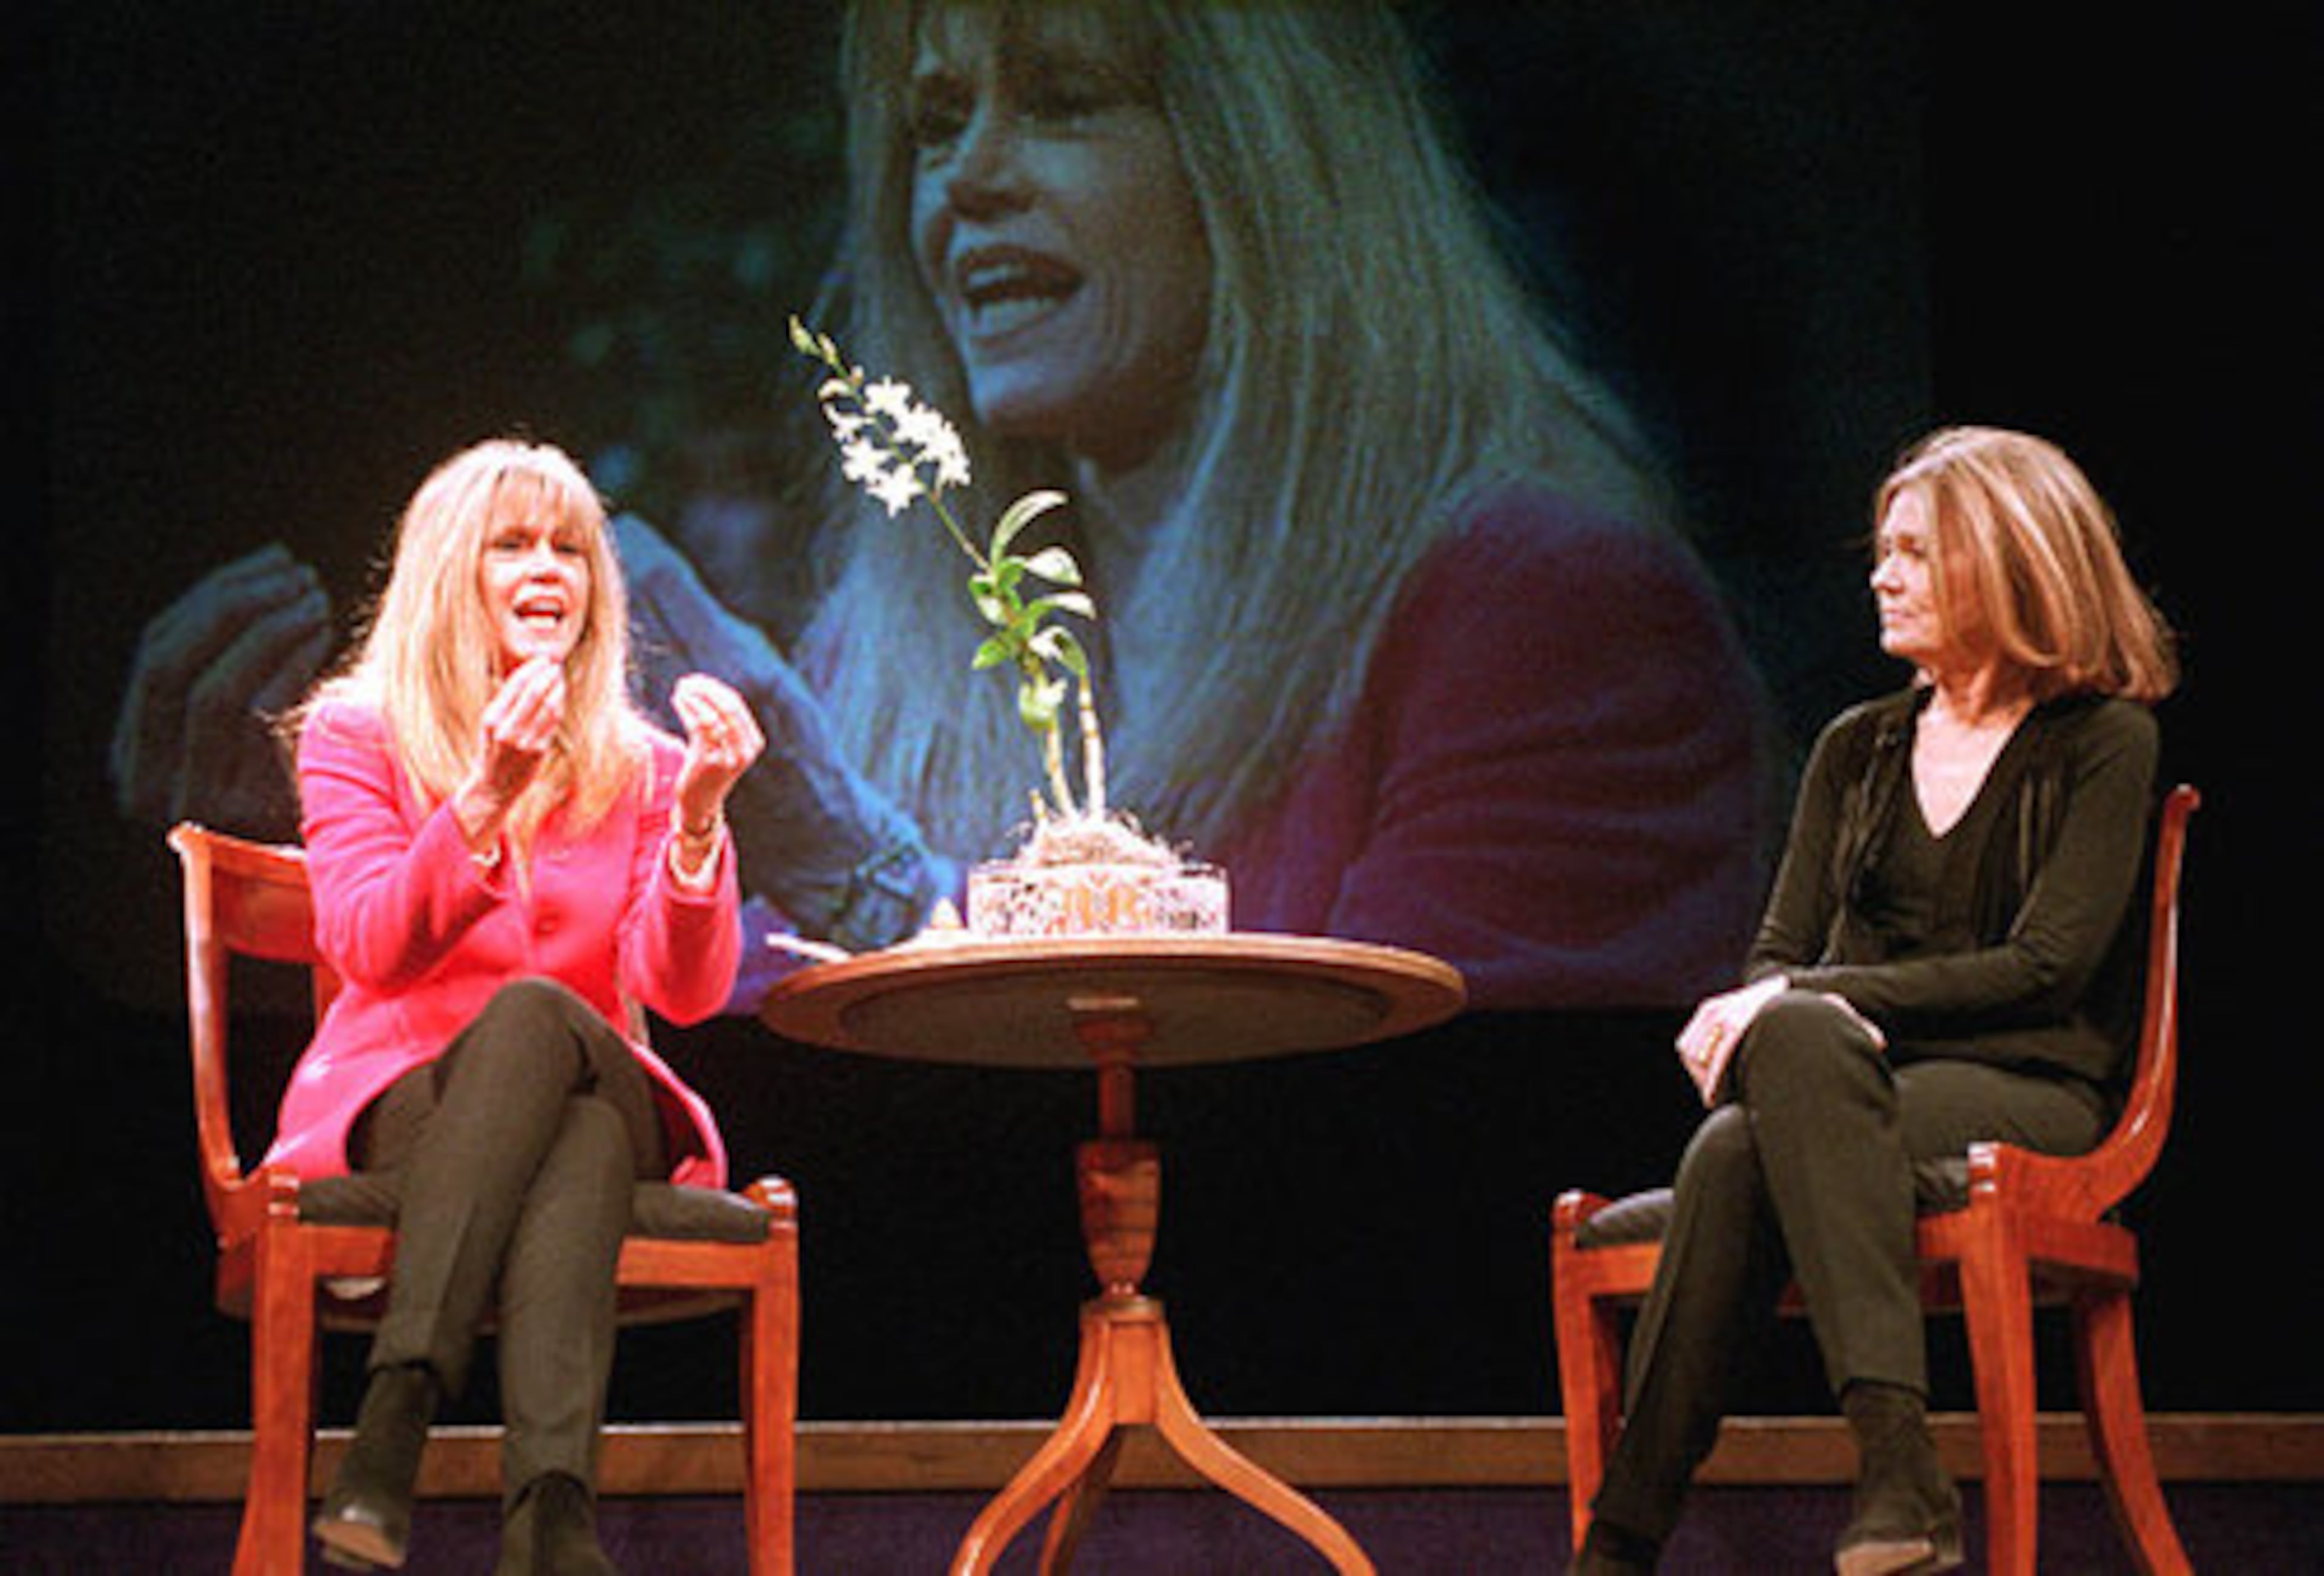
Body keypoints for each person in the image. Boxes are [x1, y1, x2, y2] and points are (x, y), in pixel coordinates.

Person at [112, 0, 1771, 1013]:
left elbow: (1336, 1183)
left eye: (1062, 101)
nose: (963, 177)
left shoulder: (1552, 618)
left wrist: (855, 863)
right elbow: (664, 1057)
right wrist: (330, 859)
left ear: (1266, 165)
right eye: (930, 122)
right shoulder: (871, 652)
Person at [1575, 426, 2179, 1575]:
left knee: (1745, 1139)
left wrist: (1818, 1001)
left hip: (2035, 1093)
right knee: (1774, 1097)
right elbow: (1776, 956)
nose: (1880, 575)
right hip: (1850, 1092)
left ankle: (1619, 1546)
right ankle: (1898, 1482)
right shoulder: (1856, 751)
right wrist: (1798, 1004)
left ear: (2007, 565)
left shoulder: (2104, 742)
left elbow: (2045, 967)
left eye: (1914, 552)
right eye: (1883, 551)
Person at [274, 439, 764, 1575]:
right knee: (579, 1130)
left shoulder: (640, 767)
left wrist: (696, 821)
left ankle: (393, 1418)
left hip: (589, 1074)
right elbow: (367, 943)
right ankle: (552, 1521)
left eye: (571, 549)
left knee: (550, 1026)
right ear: (454, 573)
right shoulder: (356, 736)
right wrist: (486, 793)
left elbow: (685, 995)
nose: (549, 568)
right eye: (513, 545)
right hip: (411, 1099)